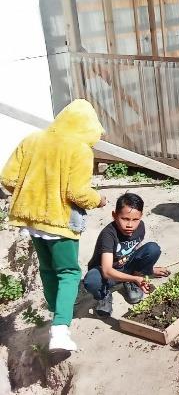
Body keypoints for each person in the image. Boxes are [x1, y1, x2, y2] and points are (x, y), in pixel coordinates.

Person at [0, 99, 107, 352]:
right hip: (59, 221)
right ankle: (60, 329)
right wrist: (98, 199)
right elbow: (78, 193)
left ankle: (55, 308)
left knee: (47, 269)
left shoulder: (32, 140)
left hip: (32, 220)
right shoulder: (79, 149)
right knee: (68, 272)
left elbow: (7, 178)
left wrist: (32, 197)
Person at [83, 193, 169, 317]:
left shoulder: (140, 227)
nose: (130, 225)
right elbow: (107, 271)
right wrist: (136, 279)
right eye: (125, 219)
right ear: (114, 215)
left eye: (135, 220)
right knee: (92, 280)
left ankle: (130, 282)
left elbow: (136, 248)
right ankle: (104, 295)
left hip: (126, 268)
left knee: (153, 249)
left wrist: (147, 270)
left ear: (141, 217)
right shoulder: (108, 235)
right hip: (107, 275)